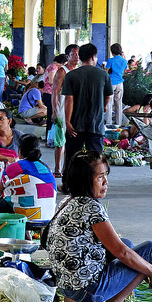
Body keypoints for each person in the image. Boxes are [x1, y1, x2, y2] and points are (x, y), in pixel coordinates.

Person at [46, 151, 152, 302]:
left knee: (128, 244)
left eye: (106, 176)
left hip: (66, 285)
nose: (106, 182)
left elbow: (121, 247)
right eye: (100, 177)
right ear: (85, 179)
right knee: (150, 250)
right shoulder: (91, 207)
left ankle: (110, 301)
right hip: (85, 290)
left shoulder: (67, 201)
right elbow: (121, 253)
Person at [61, 43, 113, 193]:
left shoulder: (71, 75)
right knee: (96, 159)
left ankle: (67, 185)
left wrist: (68, 121)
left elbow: (69, 100)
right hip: (95, 125)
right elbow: (108, 96)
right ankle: (96, 187)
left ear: (81, 57)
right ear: (93, 57)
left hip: (76, 125)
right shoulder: (103, 75)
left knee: (72, 157)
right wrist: (103, 106)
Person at [0, 134, 57, 216]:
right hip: (48, 216)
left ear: (20, 151)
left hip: (22, 218)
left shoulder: (14, 167)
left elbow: (1, 189)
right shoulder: (47, 167)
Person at [51, 44, 79, 178]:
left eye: (78, 54)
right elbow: (55, 91)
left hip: (75, 112)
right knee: (60, 141)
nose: (77, 57)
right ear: (67, 56)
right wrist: (55, 111)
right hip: (62, 111)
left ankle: (66, 169)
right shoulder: (62, 71)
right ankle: (57, 169)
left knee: (71, 142)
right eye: (74, 54)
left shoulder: (79, 70)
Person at [44, 54, 67, 141]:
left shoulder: (52, 66)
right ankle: (49, 138)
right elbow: (51, 80)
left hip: (50, 93)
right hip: (50, 94)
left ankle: (51, 138)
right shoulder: (53, 67)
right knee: (52, 116)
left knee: (52, 116)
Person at [105, 43, 128, 126]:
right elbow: (125, 71)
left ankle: (108, 123)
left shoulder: (110, 60)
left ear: (112, 52)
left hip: (111, 83)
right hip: (120, 84)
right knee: (118, 104)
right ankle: (118, 123)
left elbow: (106, 71)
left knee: (109, 104)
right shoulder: (124, 61)